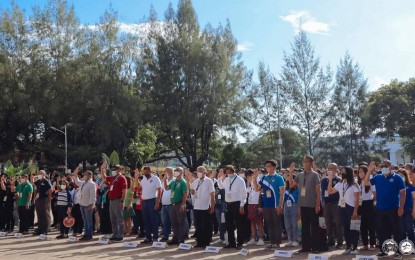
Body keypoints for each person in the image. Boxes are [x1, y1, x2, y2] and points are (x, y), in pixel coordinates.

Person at [365, 160, 406, 259]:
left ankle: (398, 252)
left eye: (385, 166)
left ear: (390, 167)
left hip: (393, 209)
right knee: (382, 231)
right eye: (382, 166)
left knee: (396, 231)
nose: (383, 167)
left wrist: (401, 208)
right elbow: (366, 182)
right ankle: (384, 250)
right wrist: (369, 170)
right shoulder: (378, 177)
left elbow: (403, 193)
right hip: (380, 209)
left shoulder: (397, 178)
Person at [288, 156, 321, 254]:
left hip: (312, 205)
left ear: (311, 163)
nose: (304, 163)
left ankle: (316, 247)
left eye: (306, 162)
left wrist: (317, 205)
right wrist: (290, 173)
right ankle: (305, 247)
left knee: (314, 227)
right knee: (305, 227)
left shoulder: (315, 175)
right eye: (303, 161)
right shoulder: (300, 175)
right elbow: (291, 185)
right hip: (303, 205)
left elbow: (318, 191)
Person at [253, 160, 285, 249]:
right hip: (266, 206)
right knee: (269, 224)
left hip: (275, 205)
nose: (267, 168)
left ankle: (277, 243)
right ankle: (272, 242)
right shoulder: (264, 178)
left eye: (269, 166)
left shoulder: (279, 178)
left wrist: (280, 206)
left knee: (277, 224)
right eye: (266, 166)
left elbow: (282, 193)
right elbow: (256, 189)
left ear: (274, 167)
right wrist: (255, 178)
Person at [328, 166, 360, 255]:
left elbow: (357, 199)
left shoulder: (354, 184)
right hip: (341, 208)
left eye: (344, 171)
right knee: (345, 228)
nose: (342, 173)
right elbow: (330, 191)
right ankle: (348, 246)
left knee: (354, 228)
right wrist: (330, 179)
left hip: (352, 208)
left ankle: (355, 247)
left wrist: (355, 211)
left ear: (348, 173)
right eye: (342, 171)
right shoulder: (340, 183)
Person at [218, 165, 247, 250]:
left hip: (237, 204)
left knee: (239, 224)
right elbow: (221, 187)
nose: (228, 174)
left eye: (229, 172)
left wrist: (242, 205)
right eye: (226, 172)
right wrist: (220, 178)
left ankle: (240, 243)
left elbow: (244, 194)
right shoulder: (227, 179)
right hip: (228, 204)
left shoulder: (240, 180)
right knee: (229, 224)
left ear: (233, 171)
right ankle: (231, 243)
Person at [100, 163, 127, 242]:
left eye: (114, 169)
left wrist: (122, 200)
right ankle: (115, 234)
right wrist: (102, 169)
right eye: (112, 170)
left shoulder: (122, 178)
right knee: (113, 218)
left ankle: (120, 235)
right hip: (111, 200)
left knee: (119, 218)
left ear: (119, 170)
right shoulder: (112, 178)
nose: (113, 171)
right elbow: (104, 178)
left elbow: (124, 190)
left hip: (118, 200)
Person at [189, 166, 215, 247]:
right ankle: (199, 242)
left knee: (206, 225)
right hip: (197, 206)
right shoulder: (196, 180)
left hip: (205, 207)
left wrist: (212, 206)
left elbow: (212, 194)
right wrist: (190, 185)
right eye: (198, 171)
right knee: (198, 225)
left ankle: (206, 242)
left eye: (201, 171)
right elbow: (192, 192)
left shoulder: (208, 181)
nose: (199, 172)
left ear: (205, 172)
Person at [320, 163, 343, 249]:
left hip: (336, 203)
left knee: (338, 223)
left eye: (332, 168)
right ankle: (330, 241)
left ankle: (340, 242)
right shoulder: (323, 180)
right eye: (328, 168)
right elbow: (323, 191)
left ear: (336, 170)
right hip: (327, 204)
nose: (330, 170)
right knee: (328, 224)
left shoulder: (339, 180)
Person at [164, 167, 188, 245]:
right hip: (172, 205)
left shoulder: (183, 181)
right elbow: (167, 188)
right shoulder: (174, 181)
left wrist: (183, 204)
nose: (175, 172)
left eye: (177, 170)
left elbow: (185, 193)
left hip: (179, 204)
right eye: (175, 170)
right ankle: (175, 238)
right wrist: (165, 179)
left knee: (181, 222)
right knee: (174, 223)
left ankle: (181, 239)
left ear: (181, 172)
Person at [140, 166, 162, 243]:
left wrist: (157, 202)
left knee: (154, 220)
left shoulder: (156, 178)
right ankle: (148, 237)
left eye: (146, 172)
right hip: (144, 201)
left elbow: (159, 190)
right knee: (146, 220)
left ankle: (155, 237)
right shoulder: (143, 179)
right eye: (144, 172)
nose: (145, 173)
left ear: (150, 171)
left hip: (152, 201)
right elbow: (139, 187)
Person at [357, 165, 376, 251]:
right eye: (359, 172)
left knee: (371, 225)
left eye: (361, 171)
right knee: (362, 225)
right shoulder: (357, 181)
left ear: (365, 172)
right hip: (361, 205)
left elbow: (375, 194)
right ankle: (365, 244)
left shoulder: (370, 180)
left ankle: (372, 244)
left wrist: (373, 203)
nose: (359, 173)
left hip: (369, 203)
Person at [74, 168, 97, 241]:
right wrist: (75, 174)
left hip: (88, 205)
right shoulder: (84, 183)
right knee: (85, 220)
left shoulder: (92, 184)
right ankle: (86, 234)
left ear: (90, 176)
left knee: (89, 220)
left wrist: (91, 205)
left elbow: (93, 196)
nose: (84, 176)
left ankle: (89, 235)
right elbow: (77, 182)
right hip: (82, 204)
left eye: (86, 175)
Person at [245, 169, 265, 246]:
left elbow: (258, 191)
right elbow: (247, 191)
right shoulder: (250, 182)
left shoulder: (259, 181)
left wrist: (260, 205)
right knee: (252, 221)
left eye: (249, 176)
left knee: (259, 222)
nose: (248, 178)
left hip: (257, 204)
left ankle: (261, 238)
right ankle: (253, 238)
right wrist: (248, 182)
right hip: (250, 203)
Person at [397, 169, 415, 244]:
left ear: (405, 176)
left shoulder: (410, 186)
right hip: (399, 210)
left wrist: (414, 211)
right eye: (399, 176)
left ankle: (413, 245)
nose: (400, 177)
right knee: (401, 230)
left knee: (409, 229)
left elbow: (414, 199)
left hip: (408, 210)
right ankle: (403, 246)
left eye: (401, 175)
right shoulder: (396, 187)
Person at [32, 170, 52, 235]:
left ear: (44, 174)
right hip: (39, 199)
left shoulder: (46, 181)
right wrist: (32, 173)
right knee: (39, 214)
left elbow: (50, 190)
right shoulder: (38, 181)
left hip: (45, 199)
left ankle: (45, 229)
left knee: (45, 215)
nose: (39, 174)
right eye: (39, 173)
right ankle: (40, 229)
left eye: (41, 173)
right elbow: (33, 184)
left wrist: (48, 199)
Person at [283, 173, 300, 247]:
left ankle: (296, 240)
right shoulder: (286, 188)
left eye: (290, 178)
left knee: (294, 224)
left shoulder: (298, 188)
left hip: (294, 205)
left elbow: (297, 199)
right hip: (286, 205)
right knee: (287, 224)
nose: (287, 180)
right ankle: (290, 239)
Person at [160, 167, 174, 241]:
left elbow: (167, 188)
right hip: (164, 203)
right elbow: (163, 190)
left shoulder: (174, 180)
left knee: (173, 221)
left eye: (168, 171)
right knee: (165, 221)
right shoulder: (164, 181)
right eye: (166, 171)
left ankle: (176, 236)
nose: (167, 173)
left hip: (171, 203)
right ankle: (166, 235)